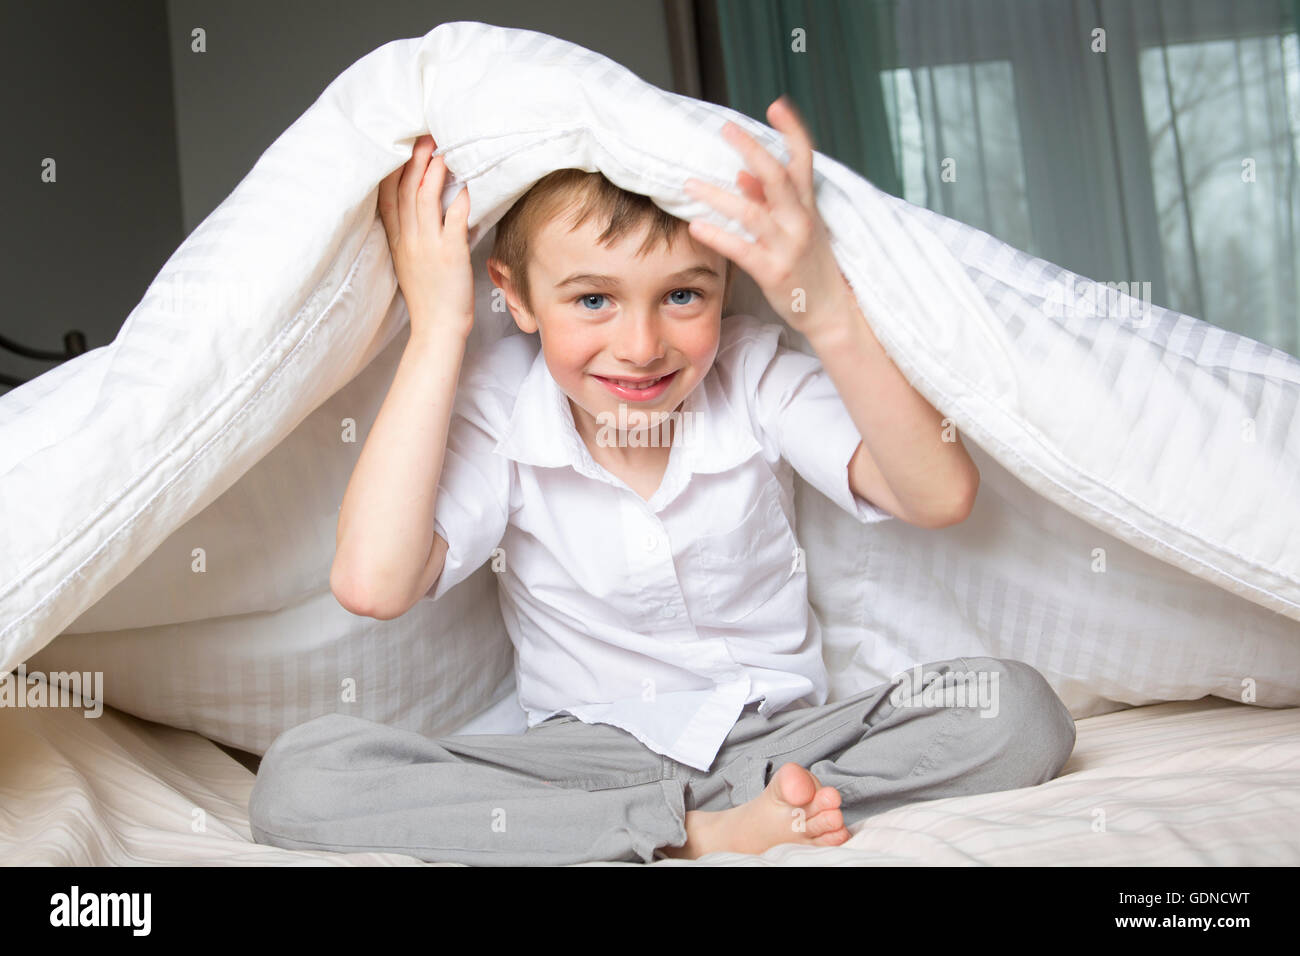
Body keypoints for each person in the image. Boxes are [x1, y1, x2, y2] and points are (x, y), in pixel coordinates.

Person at [248, 95, 1076, 865]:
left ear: (725, 288)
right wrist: (438, 325)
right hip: (588, 760)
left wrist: (820, 299)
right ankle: (692, 837)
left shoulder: (750, 371)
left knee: (1013, 709)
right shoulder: (501, 405)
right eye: (593, 301)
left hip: (780, 740)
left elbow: (938, 494)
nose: (641, 346)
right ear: (519, 297)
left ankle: (778, 808)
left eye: (683, 294)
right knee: (302, 778)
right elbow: (372, 582)